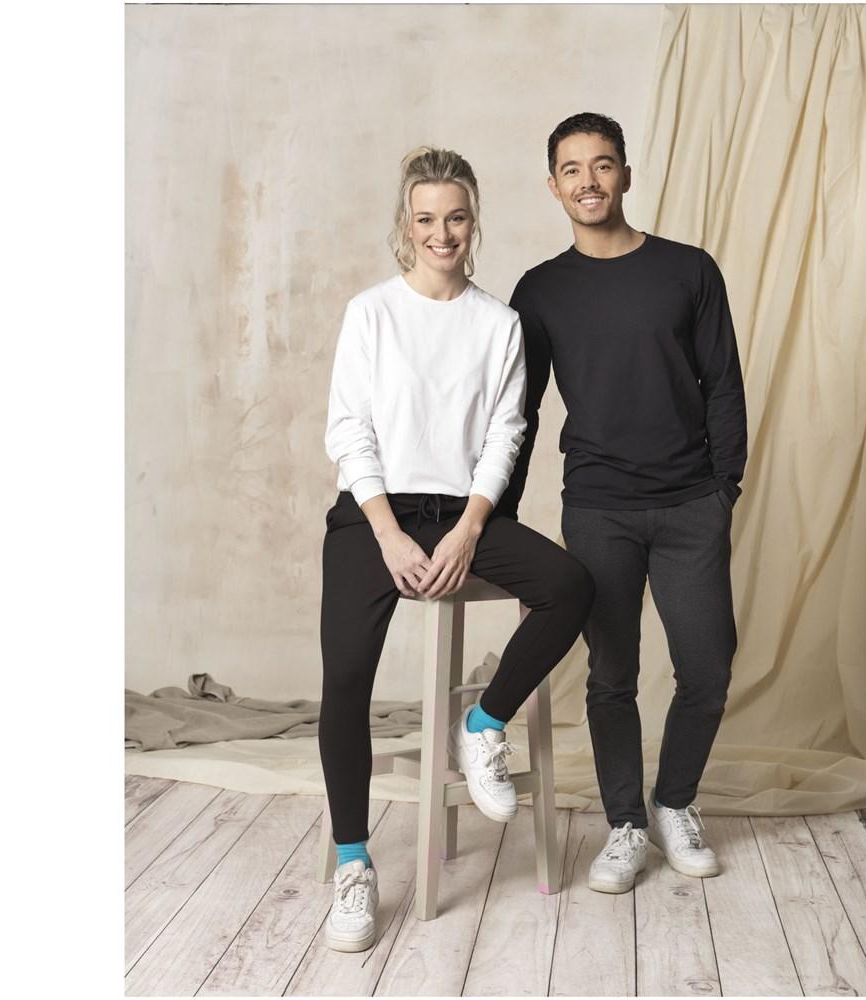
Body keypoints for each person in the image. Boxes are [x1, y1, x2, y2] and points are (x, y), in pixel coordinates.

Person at [319, 146, 595, 951]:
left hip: (462, 512)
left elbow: (507, 435)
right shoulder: (371, 313)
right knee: (346, 679)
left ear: (475, 222)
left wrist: (471, 528)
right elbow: (349, 431)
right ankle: (353, 864)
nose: (443, 233)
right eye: (426, 219)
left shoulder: (499, 324)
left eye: (457, 217)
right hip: (373, 513)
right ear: (406, 225)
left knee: (570, 586)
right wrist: (387, 533)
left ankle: (483, 721)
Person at [496, 113, 748, 894]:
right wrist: (499, 522)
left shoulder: (688, 271)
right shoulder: (540, 291)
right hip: (599, 506)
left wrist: (724, 489)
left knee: (707, 667)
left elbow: (724, 385)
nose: (589, 181)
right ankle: (626, 824)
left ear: (626, 176)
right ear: (553, 187)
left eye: (602, 165)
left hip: (690, 504)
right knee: (611, 676)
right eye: (572, 169)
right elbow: (519, 412)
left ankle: (674, 803)